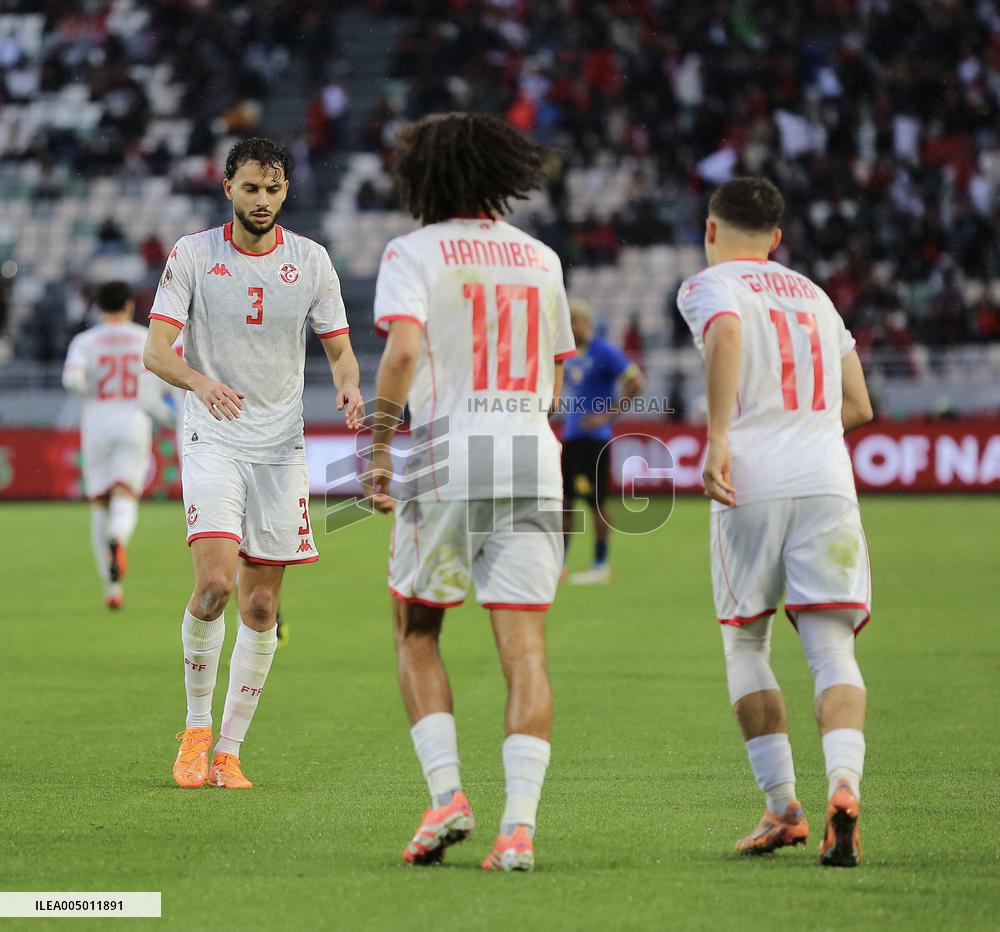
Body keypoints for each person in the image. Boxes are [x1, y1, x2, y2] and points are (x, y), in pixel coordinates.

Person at [366, 114, 576, 872]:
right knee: (525, 650)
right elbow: (555, 380)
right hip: (532, 453)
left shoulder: (411, 252)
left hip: (448, 450)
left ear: (422, 177)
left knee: (417, 627)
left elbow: (404, 351)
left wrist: (379, 450)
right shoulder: (541, 258)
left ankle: (447, 796)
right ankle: (518, 831)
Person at [143, 138, 363, 791]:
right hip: (213, 435)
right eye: (250, 188)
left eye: (272, 189)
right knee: (214, 585)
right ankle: (195, 730)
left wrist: (349, 385)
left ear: (285, 192)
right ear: (228, 188)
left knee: (262, 608)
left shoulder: (312, 261)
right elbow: (156, 353)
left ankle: (230, 753)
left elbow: (342, 352)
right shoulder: (193, 255)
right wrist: (200, 382)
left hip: (279, 448)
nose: (261, 200)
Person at [676, 177, 874, 868]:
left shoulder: (709, 284)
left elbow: (727, 332)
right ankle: (843, 787)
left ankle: (783, 806)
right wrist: (809, 433)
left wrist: (724, 436)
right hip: (827, 479)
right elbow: (860, 405)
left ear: (711, 229)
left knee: (746, 642)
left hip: (751, 479)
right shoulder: (816, 296)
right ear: (778, 238)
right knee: (832, 651)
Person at [62, 281, 173, 610]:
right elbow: (156, 394)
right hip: (134, 420)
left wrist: (92, 393)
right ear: (128, 305)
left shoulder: (85, 341)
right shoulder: (143, 338)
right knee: (126, 493)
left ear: (97, 307)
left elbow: (72, 380)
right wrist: (170, 419)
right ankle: (119, 539)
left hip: (97, 421)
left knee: (99, 501)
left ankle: (112, 589)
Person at [560, 300, 644, 584]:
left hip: (595, 441)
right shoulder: (570, 354)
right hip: (571, 438)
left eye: (574, 322)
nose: (570, 327)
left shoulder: (605, 352)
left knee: (597, 503)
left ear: (586, 323)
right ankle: (559, 565)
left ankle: (600, 563)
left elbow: (636, 381)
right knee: (565, 502)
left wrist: (607, 416)